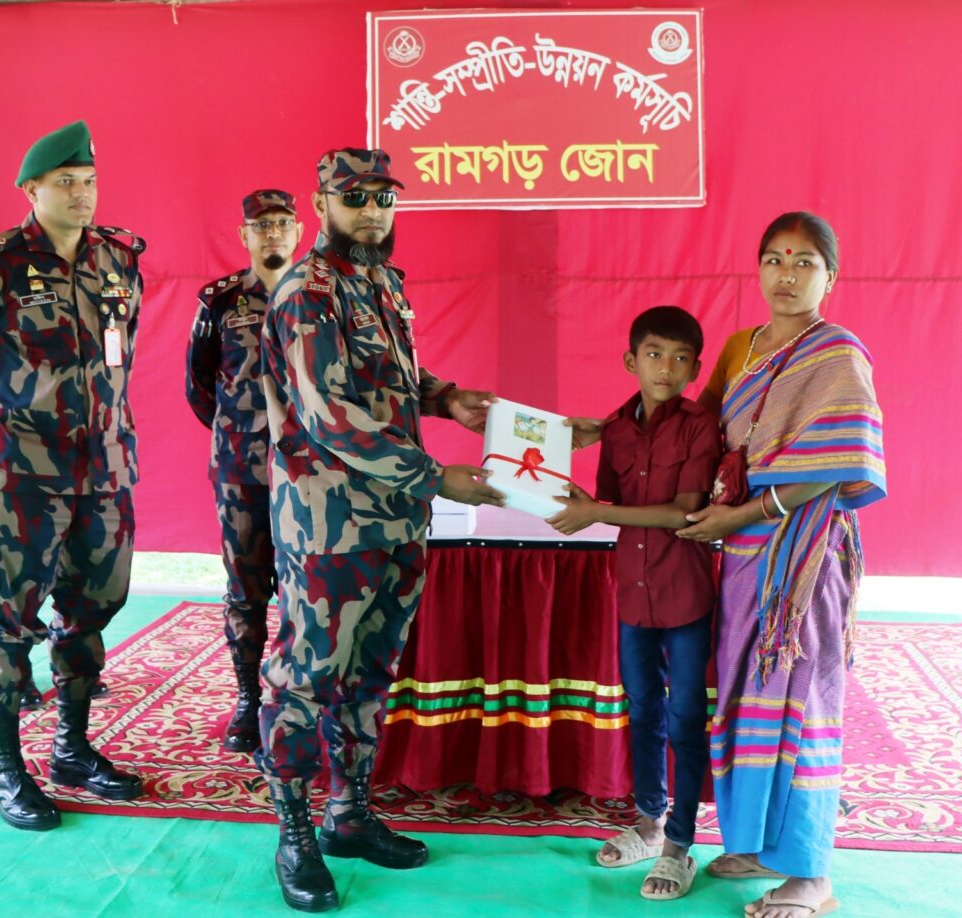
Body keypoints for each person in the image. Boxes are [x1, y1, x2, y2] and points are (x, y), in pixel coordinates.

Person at [257, 147, 505, 912]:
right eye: (354, 198)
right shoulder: (306, 290)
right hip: (329, 523)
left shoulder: (382, 281)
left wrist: (448, 398)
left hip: (394, 520)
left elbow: (390, 380)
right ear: (322, 201)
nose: (371, 212)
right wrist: (440, 476)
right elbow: (331, 416)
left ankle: (349, 813)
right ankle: (294, 833)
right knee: (307, 676)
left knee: (370, 673)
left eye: (383, 199)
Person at [678, 212, 886, 918]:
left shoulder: (837, 353)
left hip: (803, 558)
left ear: (832, 275)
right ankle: (757, 844)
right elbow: (699, 429)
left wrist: (746, 514)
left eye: (805, 261)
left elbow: (840, 462)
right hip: (742, 561)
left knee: (801, 698)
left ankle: (809, 873)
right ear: (758, 268)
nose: (788, 274)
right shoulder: (744, 347)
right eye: (774, 258)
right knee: (743, 695)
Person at [0, 120, 145, 832]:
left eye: (89, 182)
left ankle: (73, 747)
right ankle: (4, 767)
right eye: (67, 183)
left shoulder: (119, 258)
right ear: (32, 189)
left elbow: (121, 356)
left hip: (107, 468)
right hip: (26, 475)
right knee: (12, 616)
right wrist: (15, 428)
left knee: (95, 607)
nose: (82, 194)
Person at [548, 306, 721, 901]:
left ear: (695, 368)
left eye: (679, 357)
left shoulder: (702, 426)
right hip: (633, 592)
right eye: (653, 353)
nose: (665, 367)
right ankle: (649, 822)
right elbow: (609, 500)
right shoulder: (617, 428)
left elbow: (683, 513)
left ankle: (680, 844)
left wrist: (595, 511)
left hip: (686, 591)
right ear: (630, 361)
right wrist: (570, 499)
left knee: (683, 718)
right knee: (642, 708)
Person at [186, 189, 304, 752]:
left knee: (309, 591)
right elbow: (199, 385)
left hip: (309, 474)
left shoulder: (320, 294)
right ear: (244, 236)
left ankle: (298, 700)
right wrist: (243, 434)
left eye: (283, 223)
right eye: (262, 226)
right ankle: (247, 702)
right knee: (246, 592)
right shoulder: (220, 300)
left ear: (299, 230)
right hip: (241, 473)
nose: (273, 234)